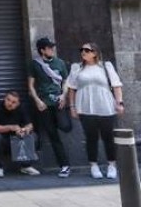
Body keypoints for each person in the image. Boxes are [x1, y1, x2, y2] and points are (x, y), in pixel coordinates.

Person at [67, 42, 124, 179]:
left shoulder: (105, 66)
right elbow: (71, 89)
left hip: (105, 106)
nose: (83, 52)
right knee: (91, 137)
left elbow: (116, 85)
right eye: (82, 50)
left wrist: (119, 103)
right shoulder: (77, 68)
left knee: (108, 137)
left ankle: (111, 165)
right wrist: (72, 107)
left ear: (95, 53)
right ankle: (93, 165)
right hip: (85, 107)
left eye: (87, 50)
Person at [27, 37, 72, 178]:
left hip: (59, 102)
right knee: (53, 136)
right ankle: (64, 166)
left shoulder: (60, 63)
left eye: (52, 47)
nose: (52, 49)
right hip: (44, 105)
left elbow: (65, 81)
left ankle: (58, 121)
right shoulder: (35, 64)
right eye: (49, 48)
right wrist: (37, 101)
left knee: (66, 126)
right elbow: (30, 86)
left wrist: (64, 95)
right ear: (42, 50)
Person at [0, 90, 39, 177]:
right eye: (8, 100)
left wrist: (24, 130)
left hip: (17, 139)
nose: (10, 103)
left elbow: (30, 125)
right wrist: (10, 127)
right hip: (3, 140)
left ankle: (26, 166)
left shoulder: (22, 108)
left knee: (33, 136)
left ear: (18, 104)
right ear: (4, 99)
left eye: (13, 102)